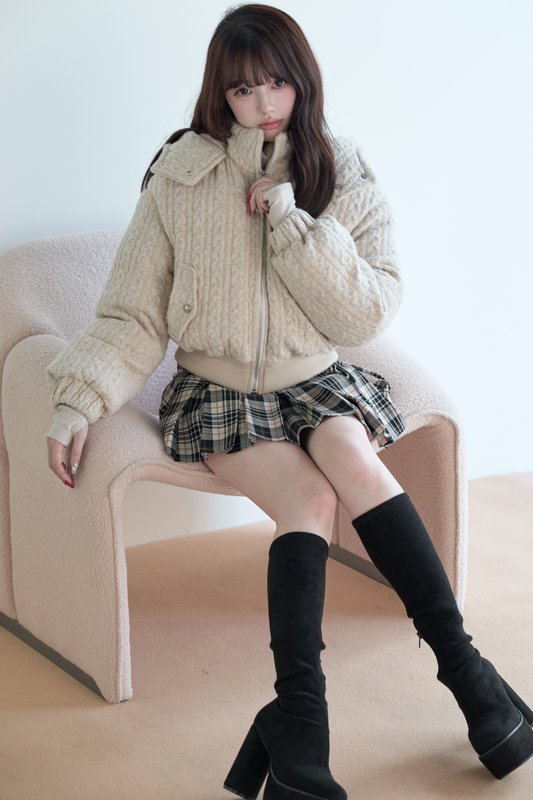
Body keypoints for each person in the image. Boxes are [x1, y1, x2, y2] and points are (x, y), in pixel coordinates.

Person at [45, 4, 533, 798]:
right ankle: (300, 715)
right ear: (220, 95)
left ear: (301, 81)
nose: (263, 103)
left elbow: (365, 311)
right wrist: (77, 401)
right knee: (310, 499)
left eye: (276, 83)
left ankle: (465, 671)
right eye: (242, 90)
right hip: (217, 391)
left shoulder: (340, 167)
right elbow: (131, 314)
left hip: (315, 378)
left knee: (352, 461)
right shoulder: (181, 174)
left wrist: (292, 221)